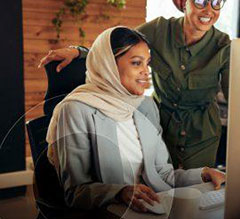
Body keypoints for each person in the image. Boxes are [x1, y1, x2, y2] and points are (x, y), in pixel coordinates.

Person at [46, 26, 224, 211]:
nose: (146, 72)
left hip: (154, 207)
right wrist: (120, 192)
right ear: (109, 65)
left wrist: (202, 174)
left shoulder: (145, 105)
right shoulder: (75, 110)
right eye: (136, 63)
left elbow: (162, 174)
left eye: (147, 63)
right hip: (110, 212)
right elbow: (75, 192)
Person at [39, 0, 230, 170]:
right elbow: (117, 48)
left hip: (202, 135)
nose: (208, 10)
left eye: (216, 3)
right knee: (161, 187)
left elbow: (236, 96)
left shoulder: (224, 46)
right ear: (182, 3)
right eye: (200, 1)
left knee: (198, 194)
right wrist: (77, 51)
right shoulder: (158, 30)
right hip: (161, 126)